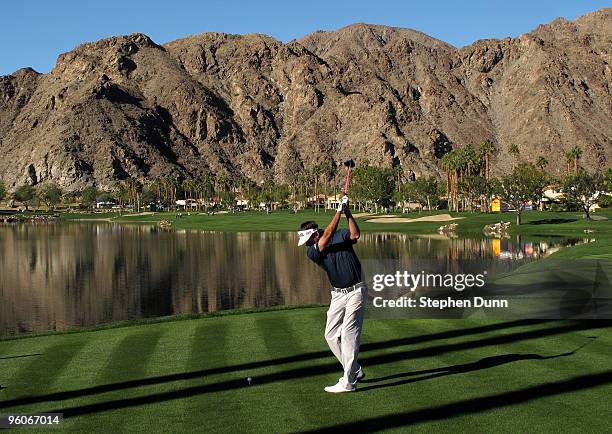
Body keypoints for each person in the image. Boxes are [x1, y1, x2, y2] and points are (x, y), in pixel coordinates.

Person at [297, 195, 366, 393]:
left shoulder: (338, 235)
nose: (308, 243)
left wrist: (347, 212)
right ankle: (354, 369)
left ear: (314, 233)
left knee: (349, 333)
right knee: (330, 335)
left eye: (309, 239)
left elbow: (355, 235)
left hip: (356, 291)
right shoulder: (313, 251)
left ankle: (349, 382)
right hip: (337, 295)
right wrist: (338, 210)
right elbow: (327, 234)